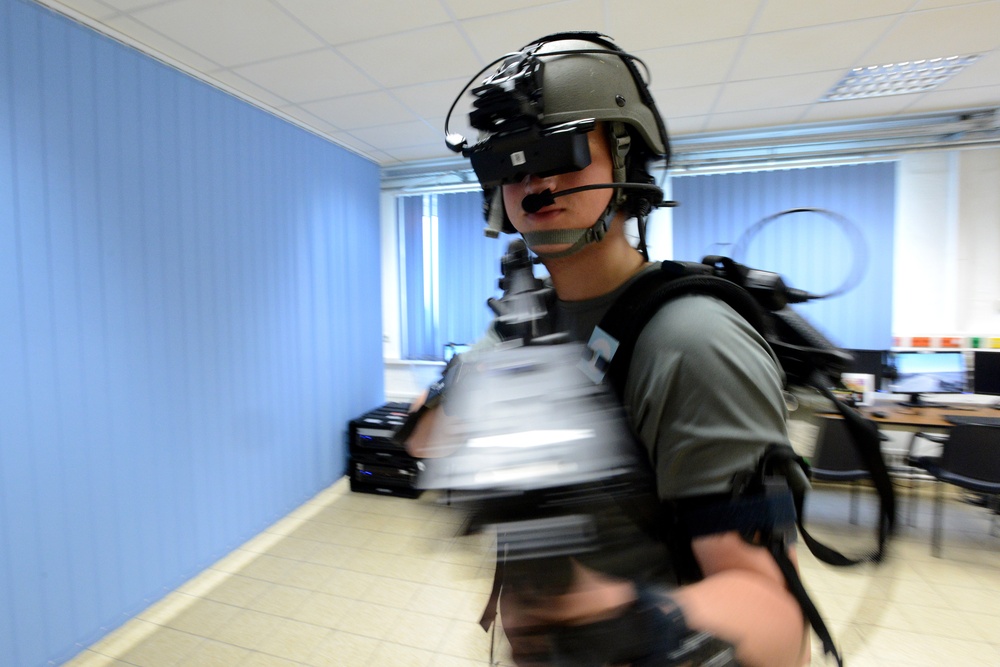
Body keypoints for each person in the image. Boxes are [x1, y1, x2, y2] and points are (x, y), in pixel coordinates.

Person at [406, 32, 809, 667]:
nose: (534, 183)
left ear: (624, 160)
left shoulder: (691, 341)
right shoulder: (523, 323)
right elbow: (423, 439)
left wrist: (629, 625)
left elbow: (779, 625)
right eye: (511, 161)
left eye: (559, 152)